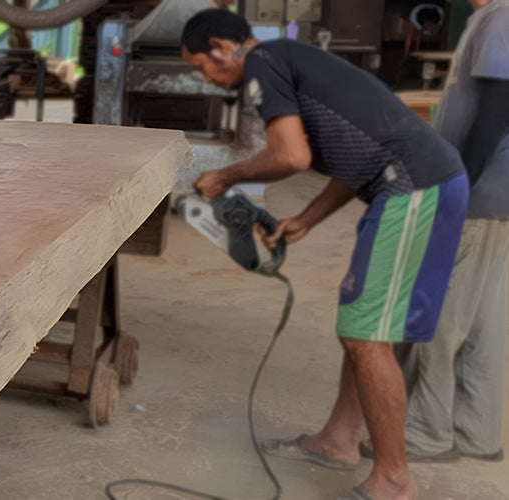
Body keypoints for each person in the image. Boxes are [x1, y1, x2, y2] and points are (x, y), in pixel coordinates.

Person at [180, 9, 468, 500]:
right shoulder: (291, 59)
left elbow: (291, 156)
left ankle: (394, 482)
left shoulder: (262, 64)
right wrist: (307, 219)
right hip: (407, 183)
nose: (204, 77)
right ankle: (337, 440)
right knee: (362, 324)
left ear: (222, 46)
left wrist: (224, 176)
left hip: (414, 188)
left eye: (200, 66)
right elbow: (356, 154)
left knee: (365, 336)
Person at [393, 0, 509, 464]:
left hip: (480, 192)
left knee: (439, 316)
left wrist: (457, 184)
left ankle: (427, 433)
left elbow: (499, 104)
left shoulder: (502, 16)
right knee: (483, 318)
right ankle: (476, 432)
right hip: (496, 193)